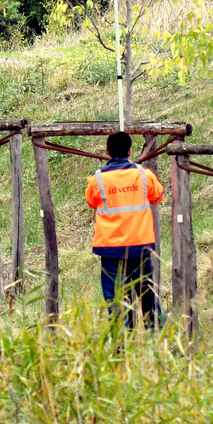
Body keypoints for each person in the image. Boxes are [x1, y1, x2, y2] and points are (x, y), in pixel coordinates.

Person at [86, 131, 165, 328]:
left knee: (116, 298)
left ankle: (122, 344)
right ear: (130, 151)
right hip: (140, 245)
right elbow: (158, 197)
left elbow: (91, 202)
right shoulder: (144, 175)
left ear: (107, 151)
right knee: (147, 292)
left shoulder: (96, 180)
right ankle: (155, 336)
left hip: (111, 249)